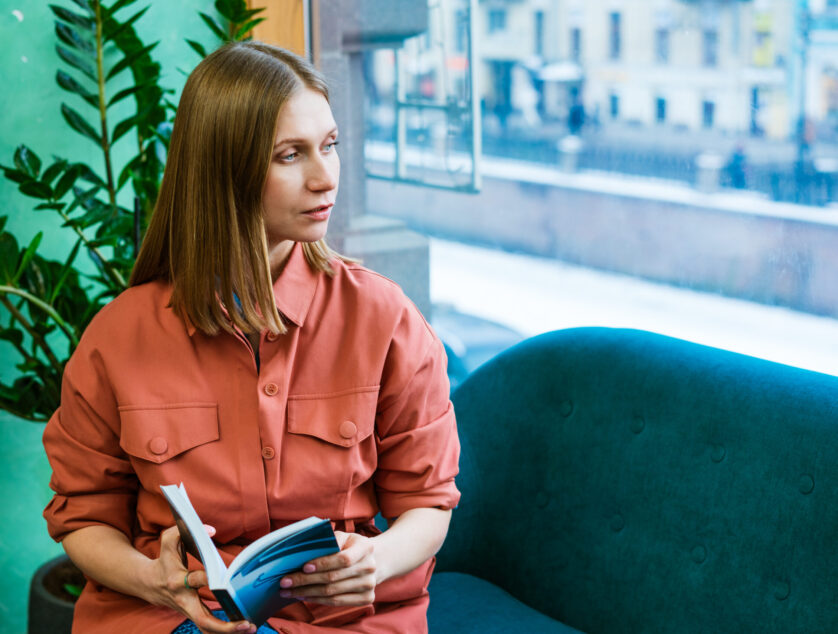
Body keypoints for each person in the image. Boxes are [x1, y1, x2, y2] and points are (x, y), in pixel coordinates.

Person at [42, 42, 460, 634]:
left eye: (330, 145)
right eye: (291, 155)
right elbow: (82, 518)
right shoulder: (119, 337)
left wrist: (378, 559)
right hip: (170, 617)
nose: (325, 177)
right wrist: (151, 579)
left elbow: (429, 501)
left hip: (341, 622)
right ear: (222, 169)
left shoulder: (384, 319)